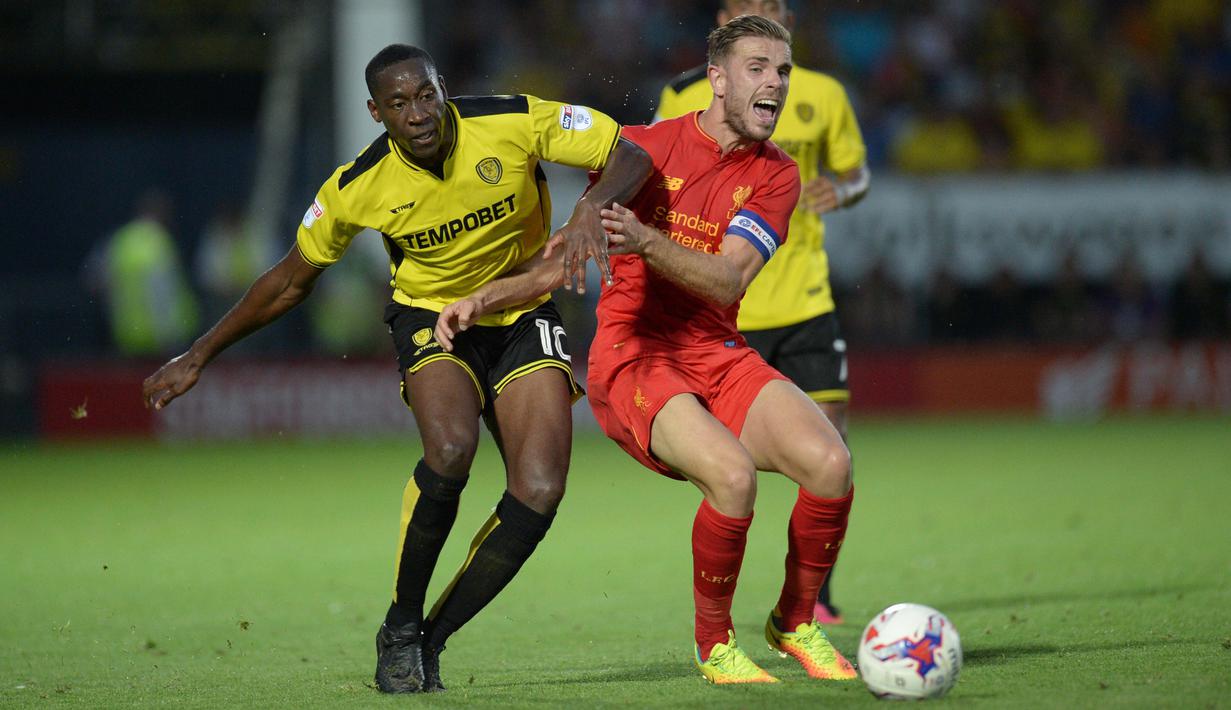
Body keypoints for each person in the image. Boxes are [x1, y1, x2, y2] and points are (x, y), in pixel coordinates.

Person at [142, 44, 651, 694]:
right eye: (399, 103)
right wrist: (199, 353)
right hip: (431, 318)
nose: (418, 113)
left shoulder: (512, 119)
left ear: (444, 89)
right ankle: (400, 623)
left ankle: (428, 640)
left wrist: (589, 204)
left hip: (521, 310)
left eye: (426, 94)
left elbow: (630, 154)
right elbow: (288, 283)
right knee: (448, 448)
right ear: (375, 112)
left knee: (540, 490)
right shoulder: (358, 185)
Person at [436, 15, 856, 685]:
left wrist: (647, 240)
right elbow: (564, 262)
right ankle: (713, 645)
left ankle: (793, 620)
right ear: (715, 79)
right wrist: (483, 299)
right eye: (758, 68)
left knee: (831, 465)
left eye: (782, 69)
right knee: (732, 477)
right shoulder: (640, 148)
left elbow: (728, 276)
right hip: (634, 356)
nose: (774, 82)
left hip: (714, 348)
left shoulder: (777, 176)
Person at [653, 0, 870, 625]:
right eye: (748, 8)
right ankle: (720, 609)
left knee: (829, 451)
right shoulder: (682, 96)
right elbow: (655, 170)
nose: (761, 11)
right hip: (721, 314)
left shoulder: (824, 93)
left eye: (772, 7)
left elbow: (857, 174)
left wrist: (843, 190)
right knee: (727, 466)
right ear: (724, 22)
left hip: (803, 297)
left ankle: (813, 599)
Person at [94, 189, 200, 357]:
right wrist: (169, 333)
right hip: (161, 338)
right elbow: (163, 292)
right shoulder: (158, 242)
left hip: (126, 334)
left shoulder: (121, 239)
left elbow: (96, 280)